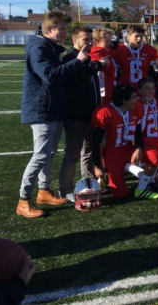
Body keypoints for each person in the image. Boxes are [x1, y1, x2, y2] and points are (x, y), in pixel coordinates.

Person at [18, 11, 90, 218]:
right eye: (61, 28)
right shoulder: (39, 47)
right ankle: (23, 200)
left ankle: (44, 191)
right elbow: (50, 76)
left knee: (49, 154)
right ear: (49, 29)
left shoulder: (50, 47)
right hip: (42, 109)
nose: (65, 32)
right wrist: (78, 60)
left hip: (53, 108)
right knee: (41, 155)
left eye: (66, 28)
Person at [59, 26, 107, 202]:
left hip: (91, 113)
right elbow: (78, 76)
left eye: (90, 40)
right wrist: (98, 65)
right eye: (85, 39)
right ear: (75, 40)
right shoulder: (70, 57)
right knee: (72, 153)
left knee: (88, 150)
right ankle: (65, 189)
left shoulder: (87, 57)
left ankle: (88, 182)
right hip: (76, 115)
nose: (89, 43)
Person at [91, 84, 158, 200]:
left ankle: (141, 189)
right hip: (113, 153)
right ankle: (107, 176)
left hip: (128, 148)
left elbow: (138, 132)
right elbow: (95, 142)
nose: (136, 100)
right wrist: (97, 165)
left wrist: (139, 147)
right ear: (124, 101)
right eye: (133, 97)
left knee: (155, 156)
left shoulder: (137, 109)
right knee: (120, 194)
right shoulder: (106, 113)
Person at [90, 28, 118, 106]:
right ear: (97, 42)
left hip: (107, 88)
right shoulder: (98, 51)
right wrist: (112, 49)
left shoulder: (105, 51)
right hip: (103, 89)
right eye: (107, 41)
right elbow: (103, 67)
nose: (110, 43)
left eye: (111, 41)